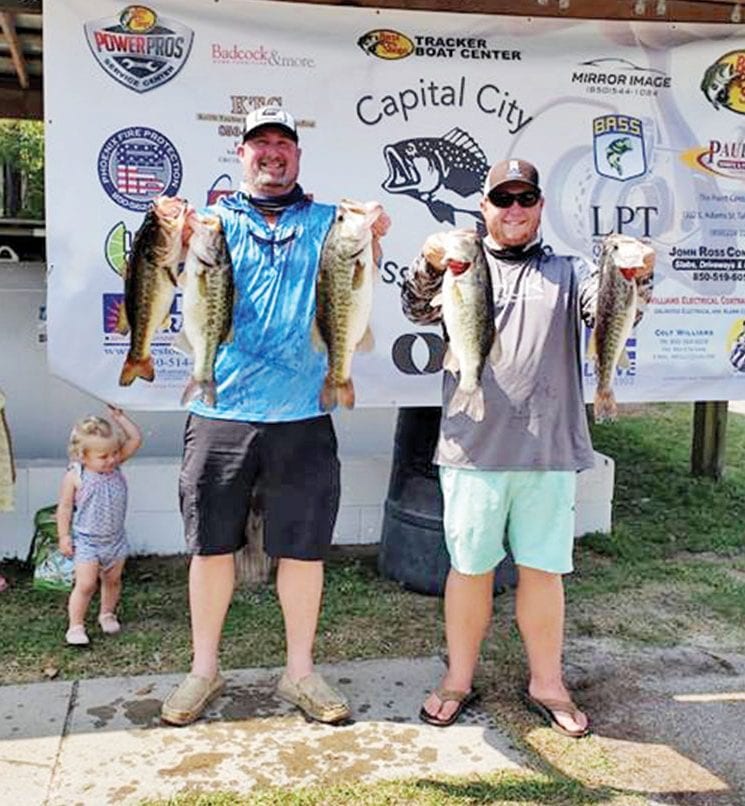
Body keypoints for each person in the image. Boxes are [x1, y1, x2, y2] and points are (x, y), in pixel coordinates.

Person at [161, 106, 389, 726]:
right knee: (210, 547)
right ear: (240, 156)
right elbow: (164, 274)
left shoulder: (326, 222)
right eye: (259, 142)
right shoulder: (212, 222)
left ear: (297, 155)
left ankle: (300, 673)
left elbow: (361, 273)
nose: (271, 152)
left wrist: (375, 230)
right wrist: (171, 237)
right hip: (219, 408)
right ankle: (202, 672)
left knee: (304, 549)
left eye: (282, 143)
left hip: (305, 411)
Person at [401, 158, 602, 738]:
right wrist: (429, 263)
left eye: (526, 198)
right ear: (483, 206)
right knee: (469, 569)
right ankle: (457, 679)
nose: (514, 209)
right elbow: (416, 308)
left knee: (544, 571)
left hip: (549, 448)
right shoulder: (460, 262)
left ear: (540, 206)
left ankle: (547, 682)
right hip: (472, 447)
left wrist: (634, 275)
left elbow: (606, 307)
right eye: (502, 199)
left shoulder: (571, 270)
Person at [56, 406, 142, 645]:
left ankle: (107, 613)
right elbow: (64, 508)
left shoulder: (115, 466)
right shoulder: (76, 476)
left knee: (112, 580)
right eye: (103, 457)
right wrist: (64, 536)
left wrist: (120, 418)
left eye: (114, 453)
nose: (112, 459)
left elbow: (135, 439)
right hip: (87, 541)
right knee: (85, 584)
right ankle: (76, 626)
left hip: (115, 539)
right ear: (82, 455)